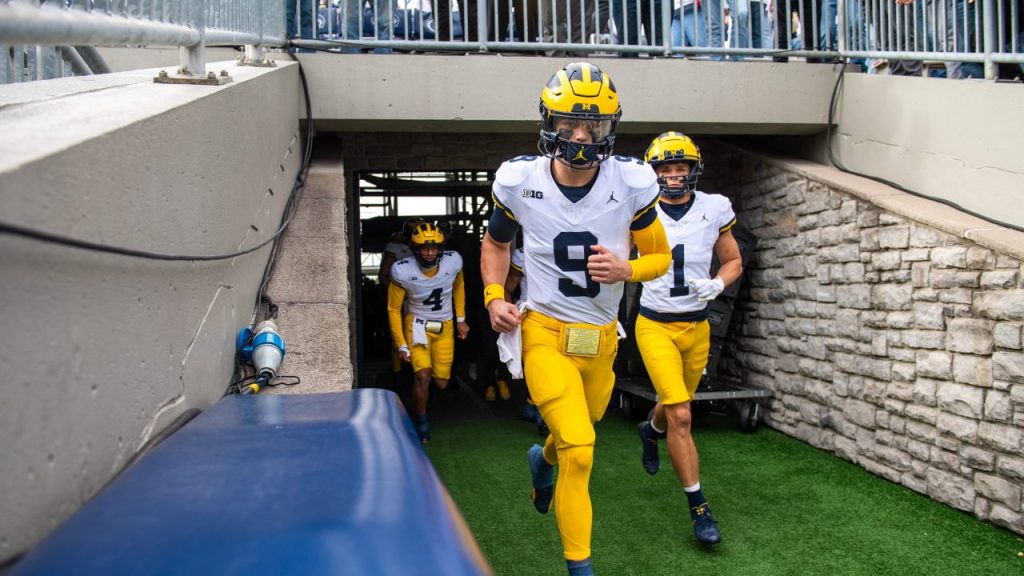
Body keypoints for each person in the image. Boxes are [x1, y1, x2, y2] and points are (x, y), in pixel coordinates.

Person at [480, 62, 671, 576]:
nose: (582, 137)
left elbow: (661, 258)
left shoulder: (630, 181)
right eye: (569, 125)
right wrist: (494, 295)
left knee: (573, 435)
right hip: (543, 332)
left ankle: (541, 462)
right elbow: (497, 243)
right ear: (550, 124)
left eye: (595, 127)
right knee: (582, 451)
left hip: (602, 340)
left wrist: (627, 267)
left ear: (612, 129)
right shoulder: (521, 180)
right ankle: (579, 566)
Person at [633, 132, 742, 546]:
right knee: (682, 415)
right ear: (654, 173)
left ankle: (650, 430)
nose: (674, 176)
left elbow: (733, 260)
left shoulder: (714, 208)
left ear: (694, 170)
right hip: (655, 323)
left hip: (697, 327)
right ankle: (699, 508)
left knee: (672, 408)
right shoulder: (639, 210)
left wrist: (718, 283)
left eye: (681, 168)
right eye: (666, 169)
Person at [387, 222, 469, 443]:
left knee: (441, 382)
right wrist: (401, 344)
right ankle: (421, 421)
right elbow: (393, 309)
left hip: (445, 325)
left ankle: (423, 400)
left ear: (441, 247)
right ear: (415, 249)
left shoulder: (453, 262)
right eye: (424, 248)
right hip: (418, 325)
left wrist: (461, 319)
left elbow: (459, 286)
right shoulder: (403, 270)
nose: (430, 253)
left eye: (433, 247)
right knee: (422, 375)